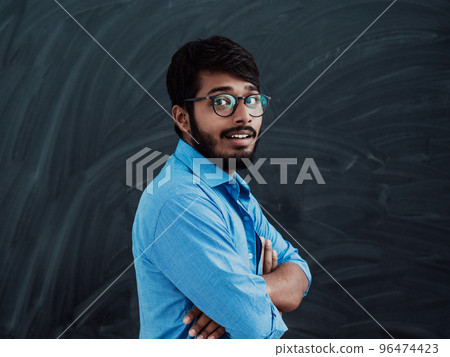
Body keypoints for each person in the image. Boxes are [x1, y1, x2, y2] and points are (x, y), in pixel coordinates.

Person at [132, 35, 311, 339]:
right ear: (183, 118)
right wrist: (249, 302)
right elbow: (254, 328)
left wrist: (246, 292)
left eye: (251, 99)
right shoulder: (178, 200)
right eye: (222, 101)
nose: (244, 116)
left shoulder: (228, 186)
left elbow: (300, 273)